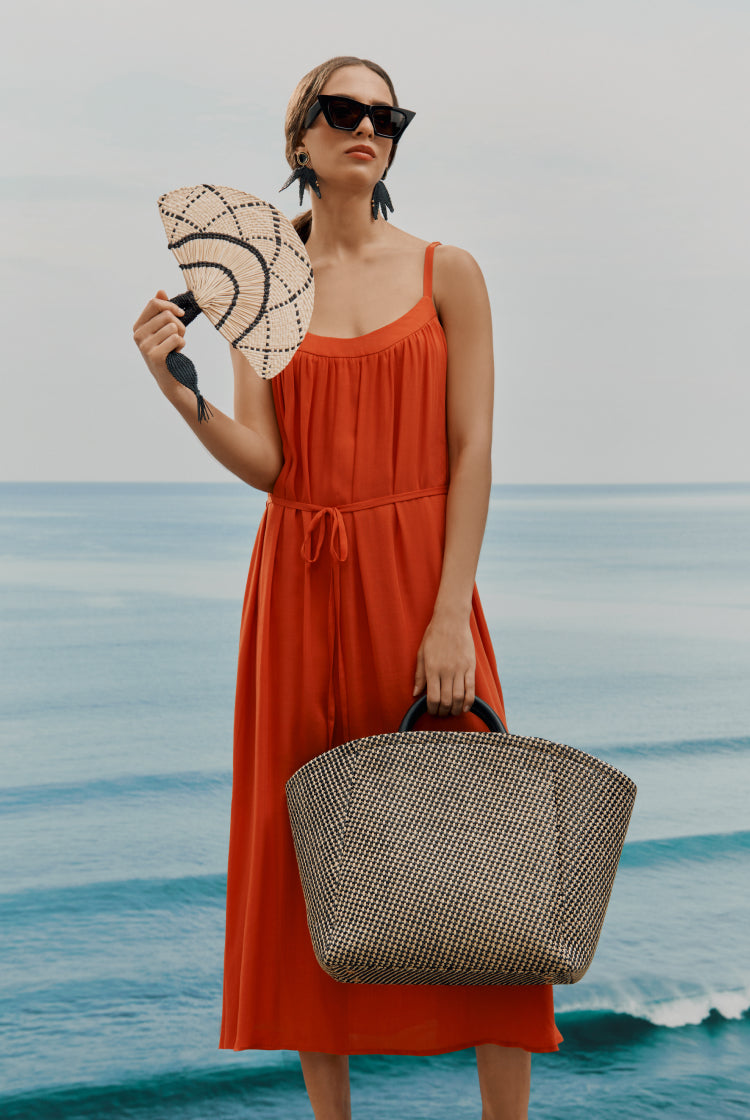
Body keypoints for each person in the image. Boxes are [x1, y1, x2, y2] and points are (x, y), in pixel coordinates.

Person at [132, 54, 561, 1120]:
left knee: (478, 853)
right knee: (308, 866)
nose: (367, 127)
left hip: (422, 577)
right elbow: (274, 465)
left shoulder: (448, 272)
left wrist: (451, 607)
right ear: (302, 139)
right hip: (299, 589)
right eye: (343, 110)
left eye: (386, 114)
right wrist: (171, 383)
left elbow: (473, 450)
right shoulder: (263, 285)